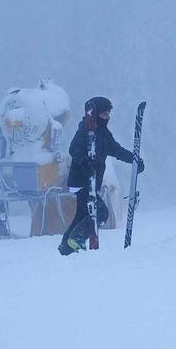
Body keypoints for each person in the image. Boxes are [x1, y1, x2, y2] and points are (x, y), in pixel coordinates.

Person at [58, 96, 144, 255]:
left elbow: (117, 150)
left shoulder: (103, 134)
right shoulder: (85, 129)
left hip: (92, 182)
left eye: (109, 114)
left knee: (83, 215)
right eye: (105, 114)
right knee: (100, 212)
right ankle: (76, 239)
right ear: (96, 114)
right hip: (82, 181)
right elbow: (74, 149)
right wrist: (84, 163)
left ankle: (66, 248)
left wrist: (134, 160)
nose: (108, 117)